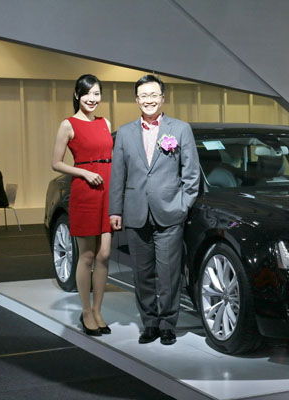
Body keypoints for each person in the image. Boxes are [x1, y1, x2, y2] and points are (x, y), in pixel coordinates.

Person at [108, 74, 200, 345]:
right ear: (137, 100)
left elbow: (191, 174)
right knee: (142, 273)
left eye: (153, 95)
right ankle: (149, 323)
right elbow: (118, 176)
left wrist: (183, 206)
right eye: (143, 96)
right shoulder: (125, 133)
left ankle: (168, 324)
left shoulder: (180, 129)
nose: (149, 100)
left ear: (163, 98)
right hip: (136, 212)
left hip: (170, 213)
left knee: (169, 273)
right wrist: (115, 211)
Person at [51, 74, 113, 336]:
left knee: (104, 254)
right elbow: (56, 163)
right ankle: (86, 311)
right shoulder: (68, 124)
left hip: (107, 191)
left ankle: (98, 310)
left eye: (96, 93)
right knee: (86, 255)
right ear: (77, 95)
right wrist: (84, 172)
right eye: (87, 93)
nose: (92, 98)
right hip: (85, 192)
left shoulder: (105, 122)